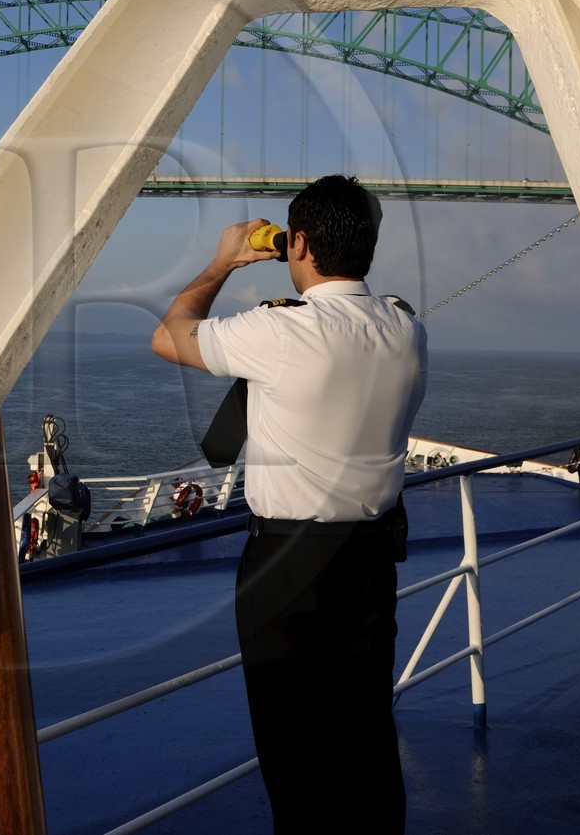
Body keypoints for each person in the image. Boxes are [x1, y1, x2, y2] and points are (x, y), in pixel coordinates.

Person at [150, 175, 427, 833]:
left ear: (297, 242)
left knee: (295, 756)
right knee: (366, 739)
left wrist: (224, 261)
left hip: (288, 568)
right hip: (370, 561)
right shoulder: (407, 330)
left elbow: (170, 334)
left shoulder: (280, 332)